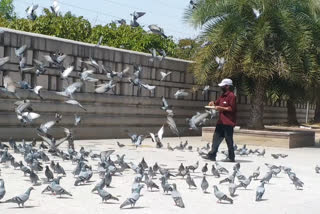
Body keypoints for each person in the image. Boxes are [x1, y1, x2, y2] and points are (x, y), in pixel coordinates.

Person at [202, 78, 237, 162]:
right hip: (220, 122)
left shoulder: (232, 96)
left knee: (229, 141)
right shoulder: (222, 95)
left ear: (227, 86)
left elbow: (231, 108)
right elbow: (216, 104)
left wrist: (221, 108)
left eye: (223, 86)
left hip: (228, 122)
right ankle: (212, 155)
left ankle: (231, 157)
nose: (221, 87)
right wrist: (212, 103)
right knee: (216, 138)